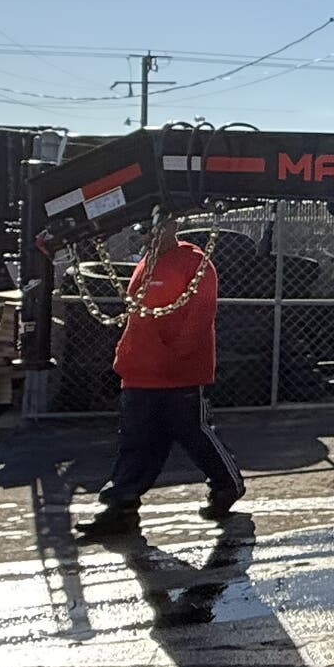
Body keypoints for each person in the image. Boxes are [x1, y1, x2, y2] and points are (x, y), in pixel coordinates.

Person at [83, 208, 245, 533]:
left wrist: (176, 355)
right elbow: (137, 318)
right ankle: (121, 504)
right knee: (137, 440)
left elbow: (200, 317)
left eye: (151, 227)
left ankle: (227, 484)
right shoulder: (146, 263)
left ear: (172, 225)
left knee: (193, 433)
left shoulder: (193, 262)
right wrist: (127, 356)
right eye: (142, 228)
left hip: (177, 373)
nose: (146, 235)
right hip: (140, 372)